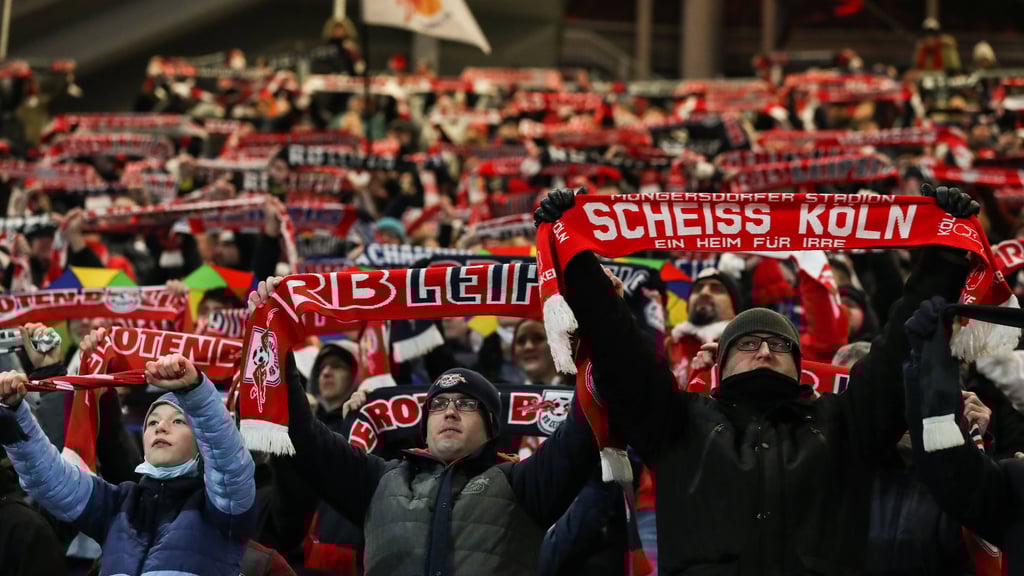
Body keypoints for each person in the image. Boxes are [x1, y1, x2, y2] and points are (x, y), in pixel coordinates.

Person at [533, 183, 979, 574]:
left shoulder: (846, 423)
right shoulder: (677, 422)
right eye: (747, 343)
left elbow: (899, 348)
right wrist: (575, 255)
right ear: (721, 363)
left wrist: (944, 255)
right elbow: (619, 346)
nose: (765, 351)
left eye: (779, 345)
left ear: (799, 366)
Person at [248, 276, 599, 576]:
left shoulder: (523, 483)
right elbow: (302, 434)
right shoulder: (377, 480)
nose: (450, 412)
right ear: (424, 426)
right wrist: (274, 337)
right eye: (439, 405)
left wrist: (602, 315)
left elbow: (585, 424)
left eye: (466, 404)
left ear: (492, 426)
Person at [0, 352, 257, 576]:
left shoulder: (221, 509)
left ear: (201, 443)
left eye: (178, 421)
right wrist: (15, 414)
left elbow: (229, 465)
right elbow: (50, 480)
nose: (161, 427)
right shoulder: (118, 504)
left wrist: (196, 392)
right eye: (152, 422)